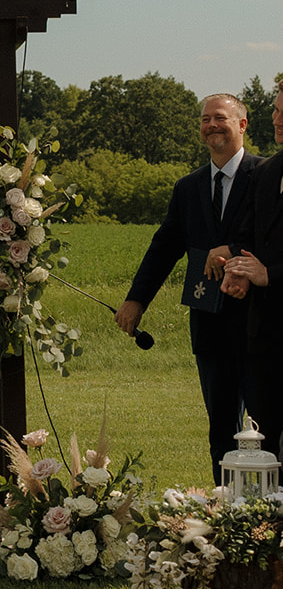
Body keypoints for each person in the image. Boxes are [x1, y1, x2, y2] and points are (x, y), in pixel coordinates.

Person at [114, 95, 261, 482]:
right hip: (210, 326)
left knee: (267, 433)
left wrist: (232, 251)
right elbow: (164, 248)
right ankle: (227, 512)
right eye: (205, 119)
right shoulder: (189, 188)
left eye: (221, 118)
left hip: (261, 327)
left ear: (242, 125)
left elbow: (275, 239)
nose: (212, 125)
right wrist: (136, 300)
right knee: (221, 432)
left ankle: (271, 524)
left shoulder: (265, 177)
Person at [208, 80, 283, 460]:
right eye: (275, 109)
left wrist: (270, 275)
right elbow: (249, 236)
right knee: (266, 443)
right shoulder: (268, 173)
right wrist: (238, 268)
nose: (277, 119)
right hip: (266, 333)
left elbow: (268, 265)